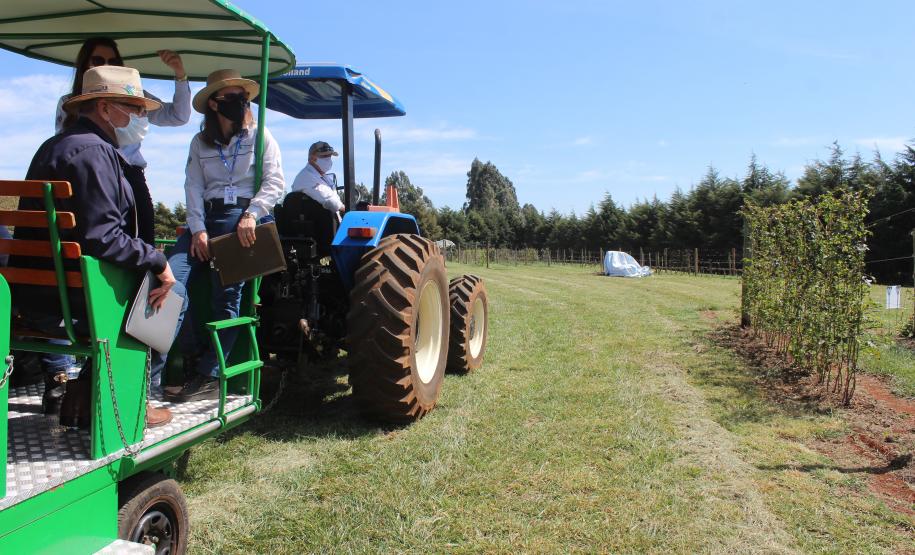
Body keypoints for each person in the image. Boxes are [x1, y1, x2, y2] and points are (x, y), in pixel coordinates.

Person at [14, 65, 176, 428]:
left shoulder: (55, 146)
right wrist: (157, 260)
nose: (140, 117)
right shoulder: (94, 153)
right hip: (70, 301)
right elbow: (103, 237)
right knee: (165, 299)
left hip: (34, 293)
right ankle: (132, 402)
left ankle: (85, 395)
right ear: (104, 108)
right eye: (134, 108)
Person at [164, 69, 285, 402]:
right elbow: (193, 186)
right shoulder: (199, 142)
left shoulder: (260, 136)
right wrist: (198, 230)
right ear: (214, 104)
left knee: (226, 295)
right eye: (232, 97)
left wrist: (252, 214)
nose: (241, 103)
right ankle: (190, 353)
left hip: (242, 217)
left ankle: (211, 373)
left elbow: (274, 181)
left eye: (243, 97)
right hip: (206, 217)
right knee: (170, 281)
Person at [56, 37, 191, 244]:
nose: (106, 66)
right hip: (90, 178)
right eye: (98, 60)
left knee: (143, 238)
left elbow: (178, 116)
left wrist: (180, 75)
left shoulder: (134, 95)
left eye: (113, 62)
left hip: (130, 176)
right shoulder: (68, 104)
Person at [290, 141, 345, 218]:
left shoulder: (324, 177)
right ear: (312, 158)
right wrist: (350, 210)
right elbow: (331, 202)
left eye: (329, 156)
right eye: (324, 156)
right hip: (318, 224)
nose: (328, 159)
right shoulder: (307, 176)